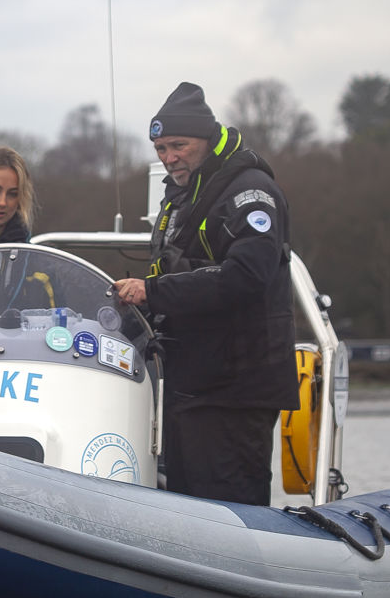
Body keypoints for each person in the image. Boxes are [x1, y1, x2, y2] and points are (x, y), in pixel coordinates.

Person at [113, 82, 298, 506]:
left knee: (231, 504)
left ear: (208, 140)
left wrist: (153, 291)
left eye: (178, 145)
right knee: (186, 503)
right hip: (191, 383)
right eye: (160, 148)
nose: (169, 157)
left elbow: (247, 276)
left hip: (236, 387)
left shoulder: (250, 192)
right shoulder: (182, 193)